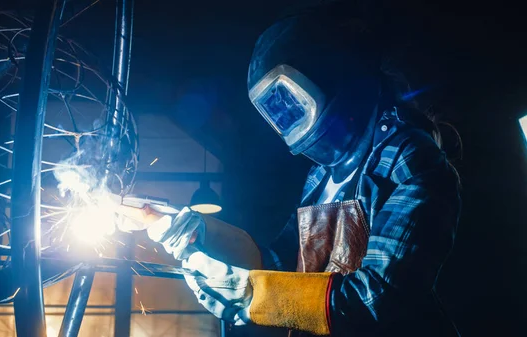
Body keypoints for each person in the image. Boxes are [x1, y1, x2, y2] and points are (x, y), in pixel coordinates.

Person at [117, 2, 461, 336]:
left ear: (331, 75)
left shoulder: (412, 161)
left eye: (290, 102)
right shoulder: (321, 176)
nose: (288, 119)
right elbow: (277, 264)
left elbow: (375, 301)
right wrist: (200, 232)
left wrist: (253, 296)